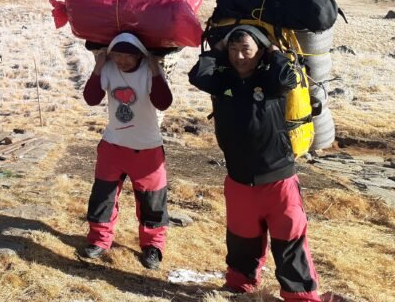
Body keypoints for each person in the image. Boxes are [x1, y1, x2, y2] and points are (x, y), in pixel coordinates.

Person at [188, 25, 322, 301]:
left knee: (289, 240)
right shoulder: (223, 81)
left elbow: (288, 77)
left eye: (246, 50)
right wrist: (218, 49)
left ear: (259, 50)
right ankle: (240, 285)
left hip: (278, 180)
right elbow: (198, 76)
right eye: (234, 50)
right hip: (239, 180)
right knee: (241, 239)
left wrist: (274, 51)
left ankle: (301, 296)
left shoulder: (270, 81)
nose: (239, 57)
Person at [79, 32, 172, 270]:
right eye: (117, 55)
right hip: (113, 146)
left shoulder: (149, 70)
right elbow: (91, 98)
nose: (122, 61)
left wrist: (155, 69)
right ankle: (99, 240)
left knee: (153, 202)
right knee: (103, 197)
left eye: (128, 56)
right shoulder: (109, 68)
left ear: (140, 53)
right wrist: (99, 66)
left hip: (147, 149)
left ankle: (153, 246)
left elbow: (163, 102)